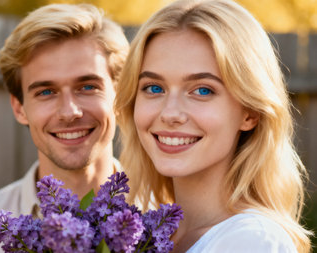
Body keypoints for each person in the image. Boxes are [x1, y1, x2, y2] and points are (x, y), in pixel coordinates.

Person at [115, 0, 311, 252]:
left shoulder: (253, 242)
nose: (170, 113)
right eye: (154, 88)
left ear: (250, 113)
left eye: (202, 90)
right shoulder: (148, 234)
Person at [0, 3, 129, 253]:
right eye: (46, 92)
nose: (69, 112)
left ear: (121, 96)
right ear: (19, 108)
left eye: (88, 86)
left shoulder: (180, 228)